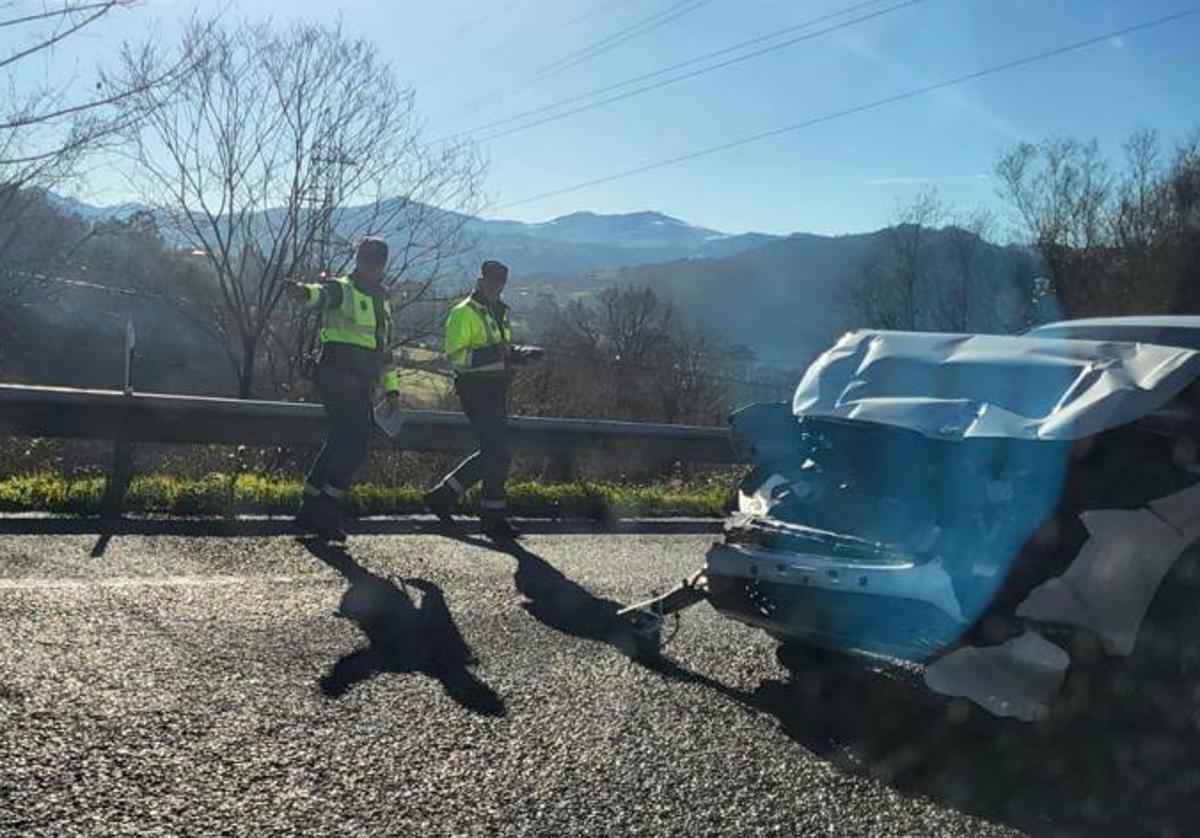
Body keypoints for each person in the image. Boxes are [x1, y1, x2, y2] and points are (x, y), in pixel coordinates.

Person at [286, 237, 401, 541]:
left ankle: (309, 508)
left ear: (382, 264)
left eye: (375, 261)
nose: (369, 266)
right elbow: (320, 295)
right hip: (337, 377)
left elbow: (385, 351)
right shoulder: (343, 288)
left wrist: (392, 391)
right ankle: (326, 511)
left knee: (340, 441)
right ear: (358, 259)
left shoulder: (383, 300)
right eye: (365, 259)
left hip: (360, 381)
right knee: (356, 445)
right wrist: (302, 293)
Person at [424, 259, 542, 540]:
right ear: (480, 282)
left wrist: (521, 356)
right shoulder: (463, 313)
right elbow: (456, 357)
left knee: (495, 454)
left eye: (499, 285)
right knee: (498, 454)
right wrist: (497, 353)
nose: (495, 289)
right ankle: (491, 519)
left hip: (495, 388)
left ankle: (444, 496)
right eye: (490, 284)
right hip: (475, 389)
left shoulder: (497, 311)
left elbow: (501, 351)